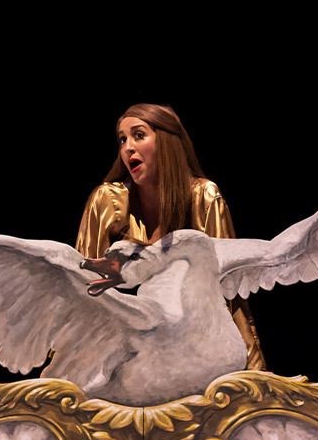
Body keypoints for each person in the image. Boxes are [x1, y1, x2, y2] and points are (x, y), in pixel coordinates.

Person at [75, 103, 266, 370]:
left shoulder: (204, 197)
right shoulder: (107, 201)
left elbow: (228, 291)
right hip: (127, 352)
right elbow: (82, 290)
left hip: (194, 349)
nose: (128, 147)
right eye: (122, 139)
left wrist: (255, 371)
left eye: (138, 135)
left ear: (166, 141)